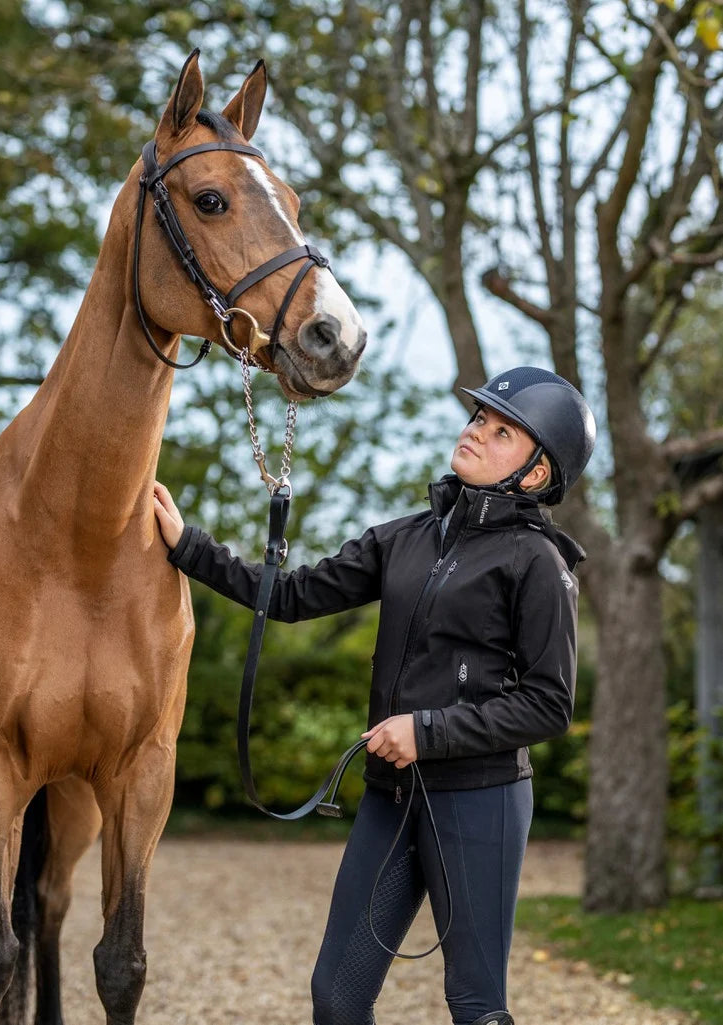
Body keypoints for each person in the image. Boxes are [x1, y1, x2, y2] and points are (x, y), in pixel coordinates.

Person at [153, 366, 596, 1025]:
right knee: (336, 996)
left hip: (480, 804)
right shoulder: (405, 536)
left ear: (533, 472)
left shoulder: (537, 564)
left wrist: (426, 730)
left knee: (473, 1005)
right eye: (479, 417)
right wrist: (189, 547)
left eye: (502, 431)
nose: (476, 430)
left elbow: (547, 703)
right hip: (391, 799)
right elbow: (296, 594)